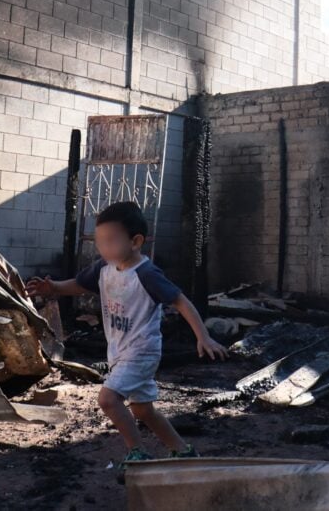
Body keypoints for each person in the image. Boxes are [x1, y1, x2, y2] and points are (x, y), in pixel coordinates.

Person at [25, 201, 228, 481]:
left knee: (108, 399)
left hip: (142, 351)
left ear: (135, 241)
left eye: (110, 241)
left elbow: (180, 300)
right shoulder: (105, 269)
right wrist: (54, 288)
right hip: (119, 351)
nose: (104, 248)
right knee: (143, 409)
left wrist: (203, 336)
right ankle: (182, 451)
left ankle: (138, 454)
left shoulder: (146, 274)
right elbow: (80, 284)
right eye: (100, 242)